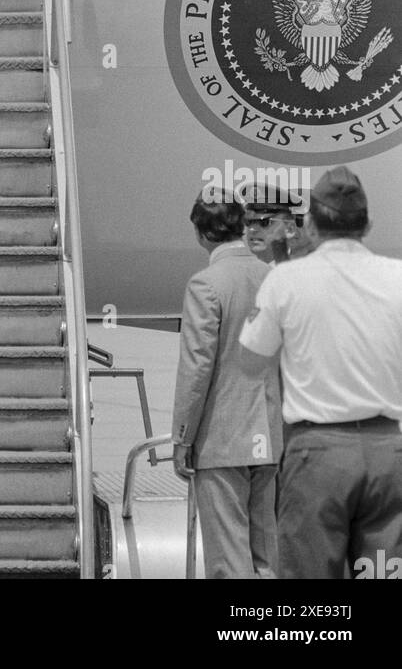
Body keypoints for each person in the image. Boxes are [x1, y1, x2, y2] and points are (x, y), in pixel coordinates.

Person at [240, 167, 402, 580]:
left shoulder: (286, 281)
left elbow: (251, 362)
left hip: (318, 454)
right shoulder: (398, 278)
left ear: (310, 224)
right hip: (389, 452)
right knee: (385, 574)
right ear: (369, 224)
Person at [172, 190, 282, 579]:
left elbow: (197, 368)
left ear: (201, 233)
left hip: (222, 440)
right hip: (269, 437)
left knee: (229, 562)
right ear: (242, 227)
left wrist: (183, 438)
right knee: (267, 558)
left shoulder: (206, 285)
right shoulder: (273, 278)